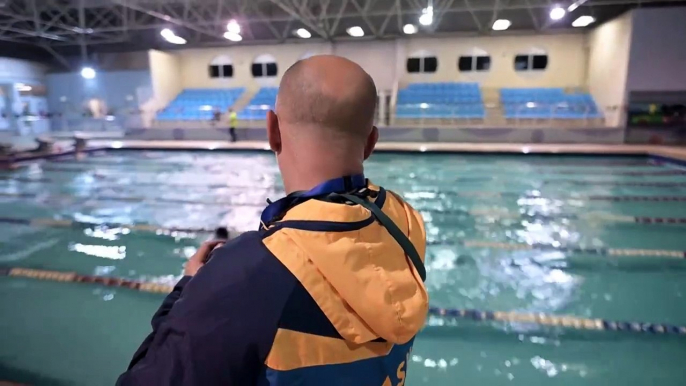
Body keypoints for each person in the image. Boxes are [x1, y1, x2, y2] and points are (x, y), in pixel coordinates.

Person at [117, 55, 429, 386]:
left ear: (272, 132)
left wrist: (189, 290)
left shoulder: (247, 273)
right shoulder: (406, 224)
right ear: (371, 143)